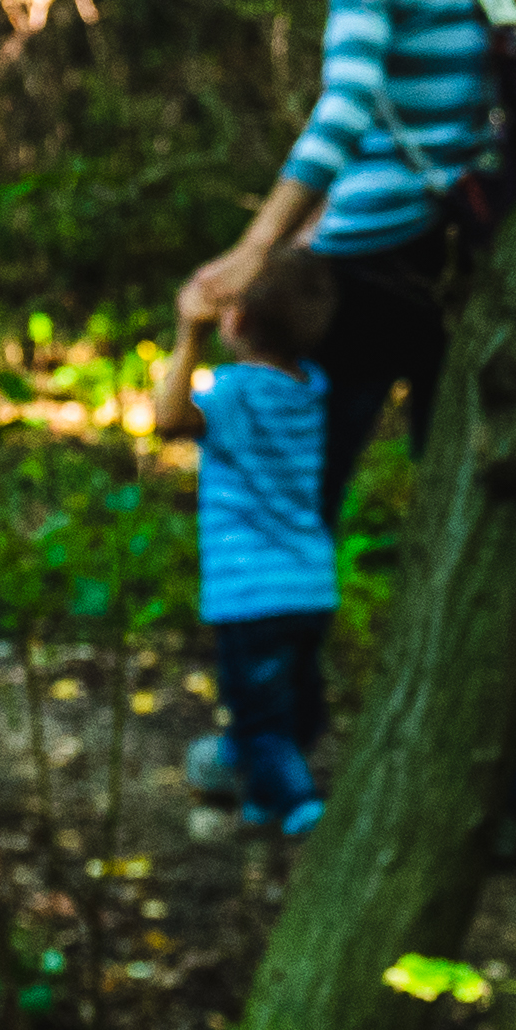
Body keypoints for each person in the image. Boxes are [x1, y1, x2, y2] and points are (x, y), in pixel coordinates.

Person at [186, 0, 509, 527]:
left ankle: (278, 644)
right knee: (449, 488)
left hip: (370, 261)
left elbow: (347, 104)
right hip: (462, 243)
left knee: (291, 496)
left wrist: (259, 247)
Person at [151, 254, 340, 844]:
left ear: (234, 321)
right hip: (310, 585)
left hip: (248, 592)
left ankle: (298, 803)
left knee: (257, 713)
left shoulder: (232, 393)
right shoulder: (312, 389)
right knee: (294, 700)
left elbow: (167, 420)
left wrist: (189, 334)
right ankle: (259, 795)